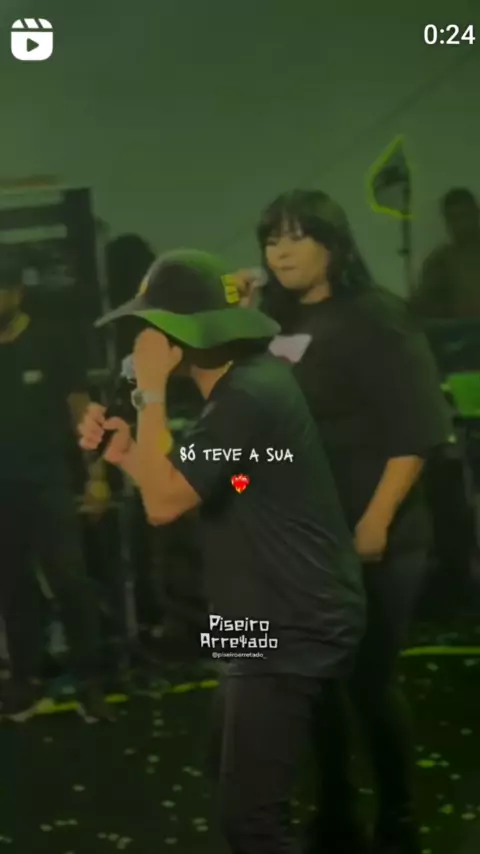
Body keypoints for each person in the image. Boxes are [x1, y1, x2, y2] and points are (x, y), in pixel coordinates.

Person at [78, 248, 366, 854]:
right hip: (256, 612)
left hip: (290, 619)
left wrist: (150, 394)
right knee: (227, 768)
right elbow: (215, 485)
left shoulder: (248, 395)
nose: (144, 341)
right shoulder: (247, 388)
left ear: (181, 336)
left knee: (250, 822)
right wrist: (128, 455)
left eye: (153, 328)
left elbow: (163, 505)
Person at [239, 189, 451, 854]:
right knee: (315, 681)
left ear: (333, 244)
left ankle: (399, 819)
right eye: (272, 239)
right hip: (305, 535)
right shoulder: (274, 318)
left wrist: (375, 521)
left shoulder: (377, 318)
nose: (281, 252)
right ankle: (334, 813)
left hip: (375, 532)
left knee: (367, 678)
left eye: (297, 236)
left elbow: (417, 431)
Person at [0, 245, 114, 723]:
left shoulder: (51, 341)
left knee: (71, 580)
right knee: (13, 587)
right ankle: (27, 679)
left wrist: (97, 477)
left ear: (16, 293)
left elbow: (82, 413)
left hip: (49, 481)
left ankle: (89, 681)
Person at [413, 187, 480, 318]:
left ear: (476, 214)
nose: (460, 225)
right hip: (461, 329)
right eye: (453, 218)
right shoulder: (439, 262)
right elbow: (424, 306)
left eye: (464, 216)